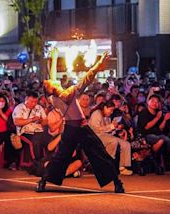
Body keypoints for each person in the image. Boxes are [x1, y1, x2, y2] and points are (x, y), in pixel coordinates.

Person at [38, 49, 125, 193]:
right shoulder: (69, 93)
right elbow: (88, 77)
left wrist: (53, 59)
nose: (49, 79)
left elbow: (51, 77)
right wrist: (99, 63)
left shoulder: (52, 98)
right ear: (52, 88)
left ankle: (43, 182)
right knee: (98, 154)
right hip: (80, 127)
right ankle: (117, 183)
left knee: (62, 157)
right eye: (48, 82)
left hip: (71, 128)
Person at [88, 101, 133, 175]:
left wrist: (115, 128)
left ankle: (122, 167)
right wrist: (111, 126)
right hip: (95, 136)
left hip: (106, 135)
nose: (111, 112)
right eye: (111, 110)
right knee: (113, 141)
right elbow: (95, 129)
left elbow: (108, 130)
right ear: (105, 108)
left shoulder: (108, 117)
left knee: (126, 144)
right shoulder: (97, 113)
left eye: (112, 110)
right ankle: (106, 166)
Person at [137, 94, 170, 173]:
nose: (155, 103)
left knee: (166, 141)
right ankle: (152, 156)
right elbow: (147, 127)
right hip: (145, 135)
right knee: (162, 139)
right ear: (148, 102)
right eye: (153, 101)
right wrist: (157, 117)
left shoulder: (159, 113)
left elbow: (160, 128)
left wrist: (165, 119)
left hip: (157, 135)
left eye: (157, 102)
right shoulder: (144, 112)